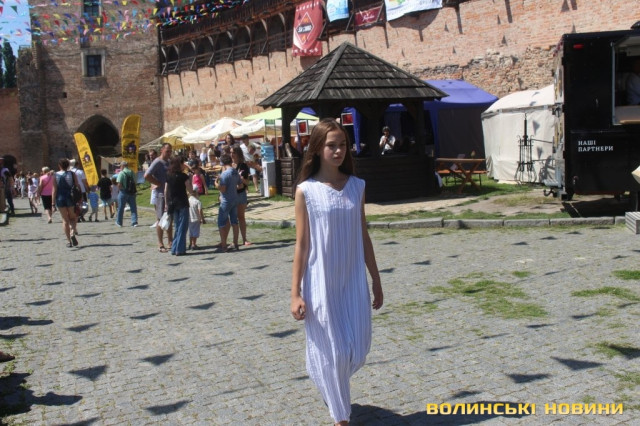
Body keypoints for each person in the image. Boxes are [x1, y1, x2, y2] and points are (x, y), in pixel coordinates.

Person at [290, 118, 383, 426]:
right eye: (331, 145)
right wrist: (295, 293)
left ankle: (324, 375)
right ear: (317, 148)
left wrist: (376, 279)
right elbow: (302, 244)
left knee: (358, 349)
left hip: (353, 279)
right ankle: (341, 417)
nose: (339, 150)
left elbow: (363, 234)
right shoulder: (306, 191)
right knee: (337, 353)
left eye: (342, 144)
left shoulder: (357, 186)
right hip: (321, 281)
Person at [145, 143, 173, 252]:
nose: (169, 153)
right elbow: (147, 175)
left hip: (169, 193)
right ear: (162, 150)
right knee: (160, 219)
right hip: (160, 194)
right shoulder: (157, 162)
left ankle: (170, 241)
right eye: (167, 151)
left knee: (169, 218)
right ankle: (160, 243)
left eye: (170, 151)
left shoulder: (169, 162)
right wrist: (157, 183)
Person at [166, 155, 195, 256]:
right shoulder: (183, 176)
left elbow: (166, 190)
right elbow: (190, 190)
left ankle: (174, 248)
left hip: (173, 203)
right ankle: (180, 249)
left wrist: (166, 202)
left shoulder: (168, 175)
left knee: (177, 226)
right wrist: (191, 179)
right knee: (183, 226)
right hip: (182, 202)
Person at [214, 153, 240, 252]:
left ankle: (224, 245)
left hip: (226, 200)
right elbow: (240, 185)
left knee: (221, 222)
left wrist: (216, 184)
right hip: (234, 198)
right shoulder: (235, 172)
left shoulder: (224, 174)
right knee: (234, 222)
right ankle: (235, 243)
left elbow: (223, 189)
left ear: (223, 163)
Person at [52, 158, 80, 247]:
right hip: (70, 198)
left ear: (59, 165)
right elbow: (77, 186)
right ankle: (72, 232)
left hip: (60, 198)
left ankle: (69, 241)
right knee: (73, 218)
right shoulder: (72, 174)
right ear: (68, 165)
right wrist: (80, 198)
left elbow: (54, 190)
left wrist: (53, 203)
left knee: (65, 220)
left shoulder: (55, 175)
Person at [232, 145, 252, 246]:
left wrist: (241, 179)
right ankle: (234, 240)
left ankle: (244, 239)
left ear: (238, 154)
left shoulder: (243, 166)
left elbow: (247, 182)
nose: (232, 155)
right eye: (231, 152)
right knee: (232, 218)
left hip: (241, 193)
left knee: (241, 217)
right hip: (231, 194)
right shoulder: (229, 165)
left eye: (234, 152)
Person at [115, 160, 138, 227]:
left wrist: (120, 190)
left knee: (121, 208)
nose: (120, 167)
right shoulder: (132, 172)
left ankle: (119, 222)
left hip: (123, 192)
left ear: (122, 166)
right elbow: (135, 182)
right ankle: (134, 222)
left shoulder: (121, 173)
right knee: (133, 207)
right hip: (131, 192)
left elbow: (119, 184)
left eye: (120, 166)